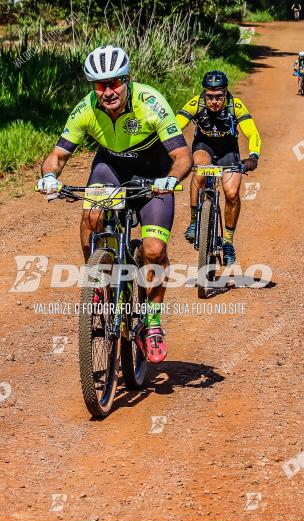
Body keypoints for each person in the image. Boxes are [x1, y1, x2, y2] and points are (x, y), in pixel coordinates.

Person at [36, 45, 192, 364]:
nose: (107, 91)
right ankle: (98, 282)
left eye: (114, 83)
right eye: (99, 85)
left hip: (154, 174)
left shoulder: (151, 103)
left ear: (128, 79)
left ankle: (152, 324)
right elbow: (58, 155)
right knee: (91, 215)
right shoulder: (85, 109)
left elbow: (182, 156)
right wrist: (50, 176)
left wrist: (171, 180)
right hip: (111, 168)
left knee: (153, 251)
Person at [175, 71, 261, 267]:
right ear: (204, 94)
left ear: (226, 93)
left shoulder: (235, 105)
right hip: (204, 145)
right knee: (200, 170)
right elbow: (175, 124)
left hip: (228, 149)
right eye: (209, 96)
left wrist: (254, 156)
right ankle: (195, 220)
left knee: (231, 194)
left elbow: (252, 132)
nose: (214, 101)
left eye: (219, 96)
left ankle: (228, 241)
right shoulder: (196, 103)